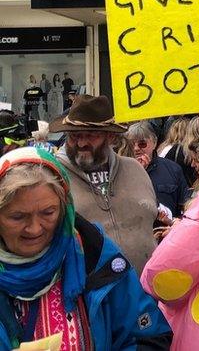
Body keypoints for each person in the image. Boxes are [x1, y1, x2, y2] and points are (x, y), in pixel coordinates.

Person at [0, 147, 170, 348]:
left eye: (48, 212)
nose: (35, 228)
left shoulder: (95, 255)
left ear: (65, 209)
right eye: (18, 217)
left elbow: (148, 337)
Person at [48, 95, 157, 275]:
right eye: (74, 136)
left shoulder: (135, 169)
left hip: (146, 294)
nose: (82, 143)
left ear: (111, 136)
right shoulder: (53, 177)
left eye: (91, 135)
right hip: (86, 297)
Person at [123, 121, 190, 223]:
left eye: (142, 144)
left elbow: (185, 204)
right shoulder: (123, 170)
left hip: (166, 232)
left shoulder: (173, 169)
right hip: (136, 231)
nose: (136, 148)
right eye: (132, 144)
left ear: (154, 143)